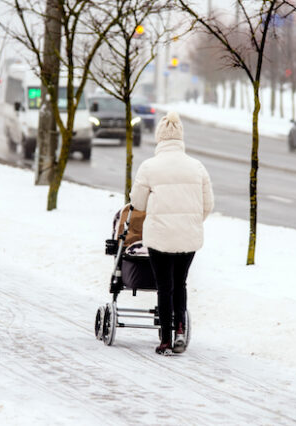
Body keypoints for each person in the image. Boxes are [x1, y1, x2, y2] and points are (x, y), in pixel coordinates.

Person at [129, 111, 214, 355]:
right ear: (180, 138)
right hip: (188, 237)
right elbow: (208, 204)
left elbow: (138, 203)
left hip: (159, 237)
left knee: (164, 286)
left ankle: (165, 339)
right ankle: (179, 330)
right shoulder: (197, 167)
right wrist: (192, 222)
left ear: (160, 138)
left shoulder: (149, 167)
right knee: (181, 283)